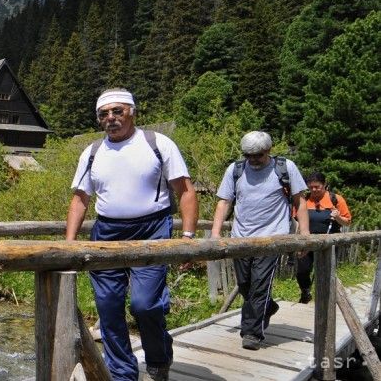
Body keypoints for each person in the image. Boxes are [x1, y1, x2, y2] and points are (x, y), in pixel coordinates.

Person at [66, 88, 198, 381]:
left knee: (145, 304)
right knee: (109, 306)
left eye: (117, 111)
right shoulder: (92, 152)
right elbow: (79, 200)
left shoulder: (158, 143)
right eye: (104, 114)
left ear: (132, 112)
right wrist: (69, 245)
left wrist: (188, 237)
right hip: (106, 232)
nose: (111, 118)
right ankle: (123, 373)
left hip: (152, 229)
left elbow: (185, 191)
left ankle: (159, 356)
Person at [211, 131, 309, 351]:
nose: (253, 159)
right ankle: (269, 307)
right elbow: (224, 202)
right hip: (241, 238)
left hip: (273, 238)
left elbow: (299, 201)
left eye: (258, 155)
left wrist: (305, 236)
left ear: (269, 151)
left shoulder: (285, 168)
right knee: (245, 284)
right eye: (248, 155)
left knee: (259, 286)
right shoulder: (235, 169)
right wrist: (215, 235)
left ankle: (252, 333)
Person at [296, 171, 351, 303]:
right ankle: (305, 291)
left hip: (328, 243)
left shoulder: (336, 199)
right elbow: (298, 221)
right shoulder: (304, 200)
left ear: (324, 185)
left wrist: (337, 217)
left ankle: (324, 299)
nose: (313, 190)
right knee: (302, 271)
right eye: (310, 187)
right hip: (307, 241)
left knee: (325, 273)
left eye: (317, 187)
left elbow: (347, 221)